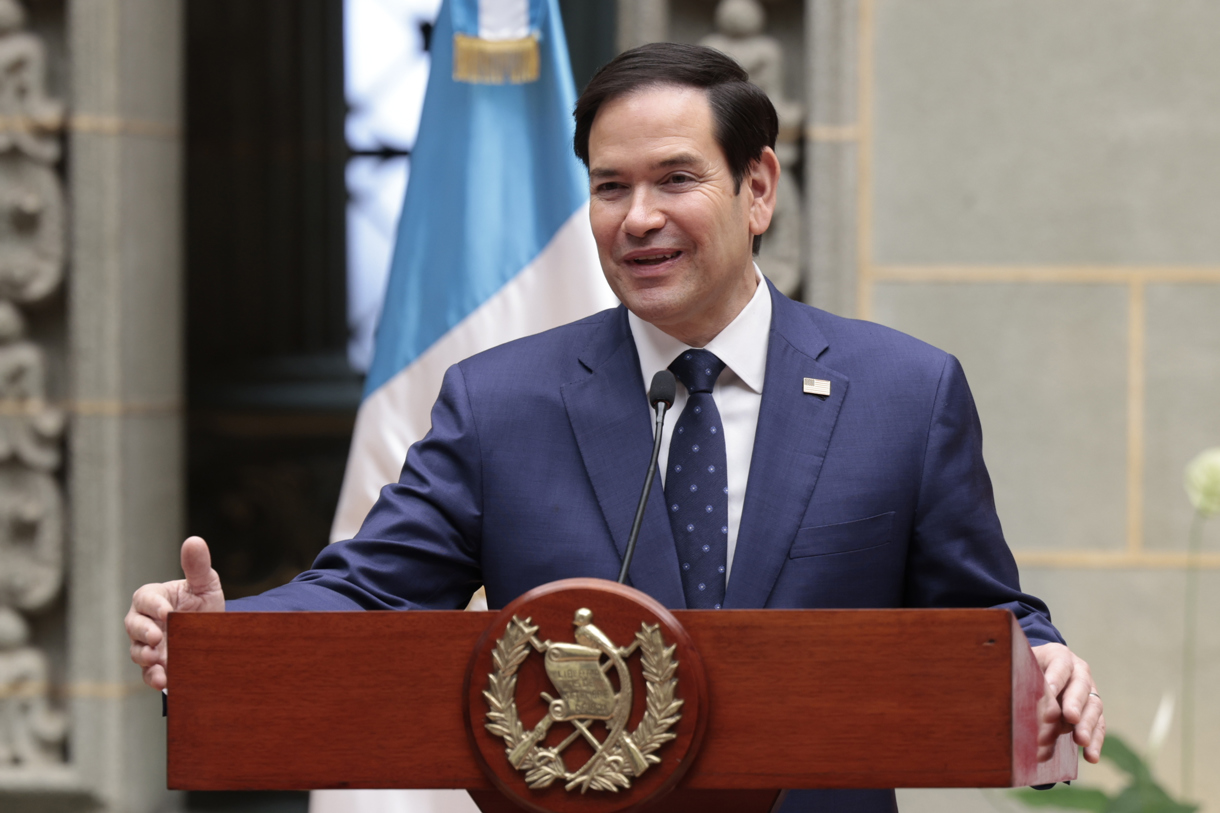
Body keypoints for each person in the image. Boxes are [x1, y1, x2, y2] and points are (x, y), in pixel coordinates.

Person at [126, 43, 1104, 812]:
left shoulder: (903, 391)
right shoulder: (502, 401)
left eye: (674, 179)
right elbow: (371, 590)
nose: (637, 218)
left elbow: (981, 619)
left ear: (756, 188)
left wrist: (1041, 662)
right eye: (608, 186)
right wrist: (227, 640)